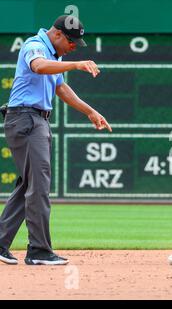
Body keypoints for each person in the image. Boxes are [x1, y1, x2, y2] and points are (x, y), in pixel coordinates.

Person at [0, 15, 112, 266]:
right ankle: (39, 250)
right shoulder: (35, 46)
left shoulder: (56, 54)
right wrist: (75, 64)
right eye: (71, 41)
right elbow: (38, 66)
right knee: (38, 184)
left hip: (34, 119)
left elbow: (60, 88)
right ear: (58, 34)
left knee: (28, 183)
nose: (74, 46)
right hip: (26, 118)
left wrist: (90, 111)